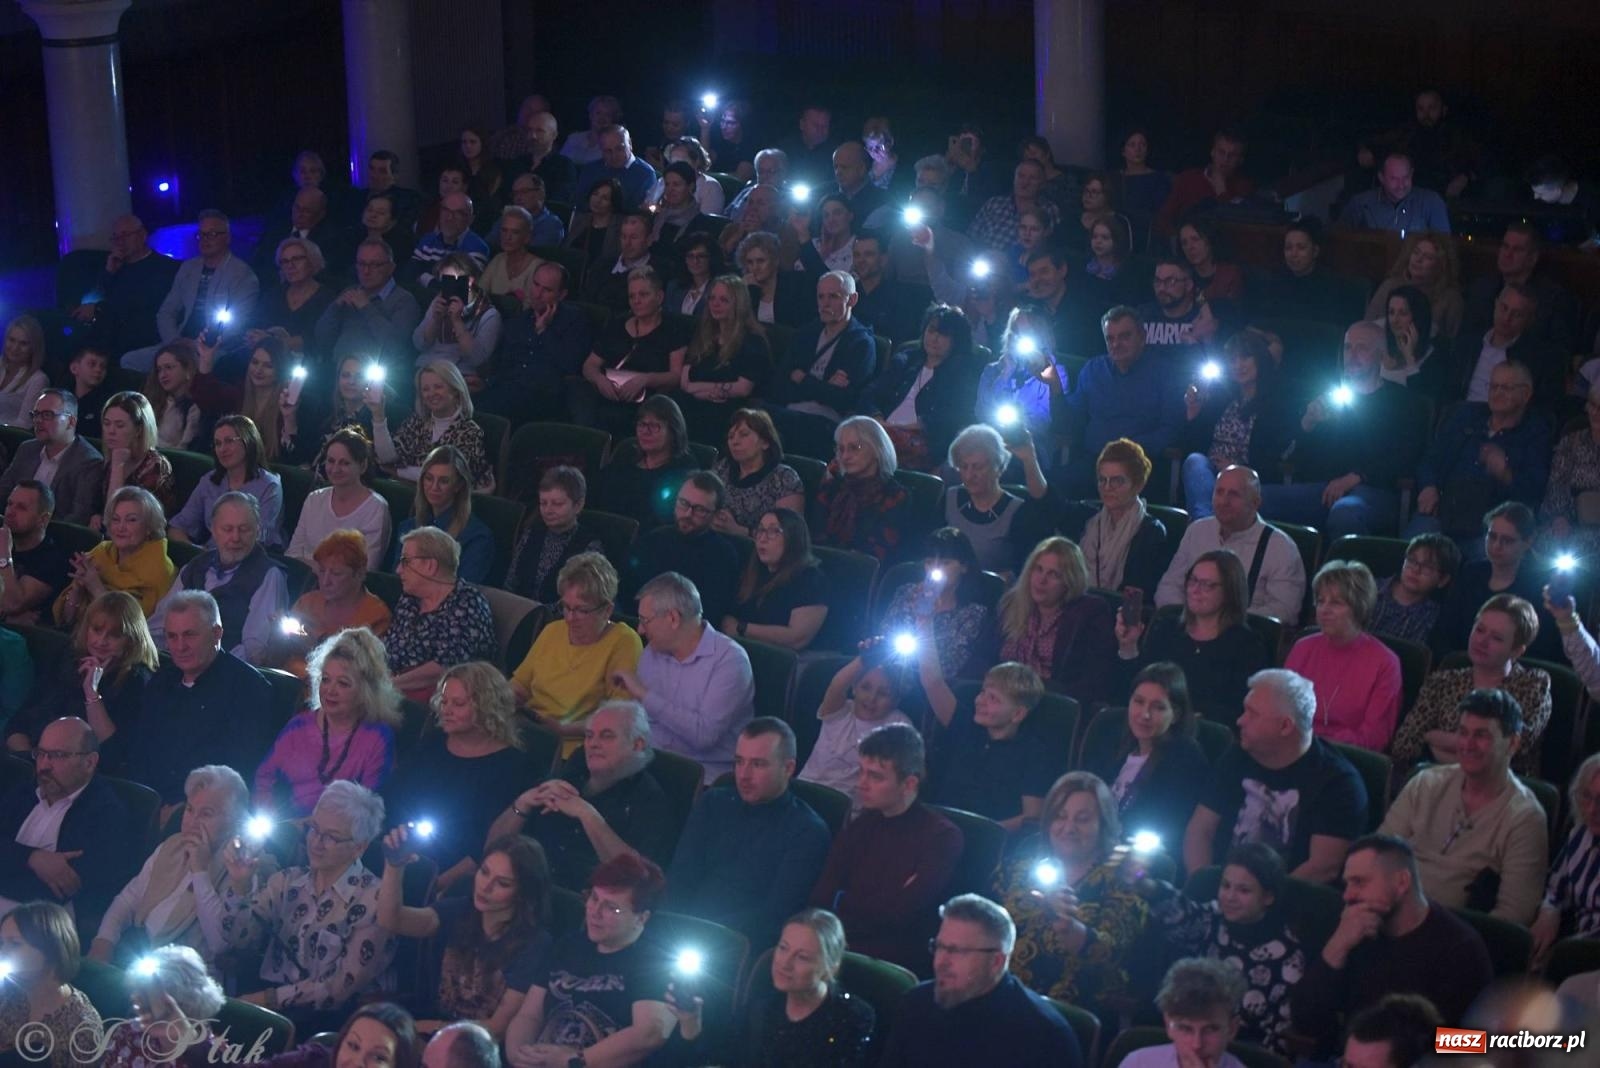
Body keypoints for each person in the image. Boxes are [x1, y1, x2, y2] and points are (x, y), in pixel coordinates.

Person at [1290, 835, 1493, 1053]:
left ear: (1401, 882)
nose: (1348, 895)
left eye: (1359, 882)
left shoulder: (1460, 948)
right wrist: (1338, 946)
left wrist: (1394, 1048)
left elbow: (1474, 1043)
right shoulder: (1350, 925)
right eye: (1346, 884)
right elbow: (1305, 1022)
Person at [221, 779, 396, 1023]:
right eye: (314, 828)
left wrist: (265, 1000)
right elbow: (238, 940)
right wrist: (240, 885)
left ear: (359, 848)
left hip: (336, 1023)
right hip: (270, 1006)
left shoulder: (375, 899)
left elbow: (337, 991)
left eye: (331, 837)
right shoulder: (287, 881)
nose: (315, 842)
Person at [1379, 689, 1547, 923]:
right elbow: (1380, 856)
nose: (1467, 744)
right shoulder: (1426, 783)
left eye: (1481, 735)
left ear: (1513, 743)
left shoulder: (1525, 818)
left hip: (1458, 939)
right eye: (1463, 732)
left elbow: (1512, 916)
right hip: (1390, 914)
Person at [1184, 669, 1368, 882]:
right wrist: (1201, 886)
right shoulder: (1238, 754)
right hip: (1220, 890)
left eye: (1252, 714)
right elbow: (1200, 829)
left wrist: (1258, 904)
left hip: (1285, 904)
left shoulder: (1338, 784)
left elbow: (1323, 867)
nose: (1240, 720)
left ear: (1285, 726)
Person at [809, 724, 963, 970]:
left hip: (891, 957)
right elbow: (824, 891)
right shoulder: (864, 823)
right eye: (862, 772)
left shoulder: (941, 837)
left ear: (909, 783)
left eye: (876, 776)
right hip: (838, 941)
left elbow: (899, 914)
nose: (862, 783)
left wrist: (845, 904)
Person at [667, 718, 831, 943]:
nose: (743, 775)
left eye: (758, 764)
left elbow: (776, 914)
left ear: (788, 768)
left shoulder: (807, 831)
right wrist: (674, 924)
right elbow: (680, 874)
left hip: (742, 942)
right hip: (681, 928)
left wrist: (707, 932)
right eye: (739, 761)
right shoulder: (713, 803)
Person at [503, 852, 675, 1067]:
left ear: (641, 918)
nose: (595, 912)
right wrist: (519, 1053)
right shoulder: (568, 945)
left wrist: (574, 1061)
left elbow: (649, 1034)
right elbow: (529, 1014)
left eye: (611, 907)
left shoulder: (656, 962)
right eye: (594, 898)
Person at [379, 827, 552, 1039]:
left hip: (478, 1046)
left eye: (502, 883)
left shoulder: (535, 943)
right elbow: (391, 920)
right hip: (431, 1028)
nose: (485, 887)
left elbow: (497, 1026)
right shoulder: (458, 910)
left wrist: (429, 1027)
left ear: (523, 893)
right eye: (484, 872)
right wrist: (394, 866)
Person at [995, 771, 1148, 1006]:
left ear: (1103, 825)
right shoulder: (1020, 868)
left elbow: (1113, 955)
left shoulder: (1123, 881)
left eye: (1083, 819)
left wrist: (1068, 927)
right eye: (1060, 816)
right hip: (1002, 997)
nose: (1068, 828)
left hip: (1072, 1010)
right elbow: (984, 920)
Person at [878, 893, 1083, 1068]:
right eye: (939, 947)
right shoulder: (916, 1004)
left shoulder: (1046, 1037)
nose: (941, 961)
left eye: (956, 951)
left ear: (996, 961)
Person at [1136, 843, 1304, 1056]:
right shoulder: (1210, 919)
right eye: (1226, 886)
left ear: (1268, 897)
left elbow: (1279, 1035)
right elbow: (1176, 912)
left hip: (1245, 1054)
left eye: (1244, 890)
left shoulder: (1287, 955)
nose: (1230, 897)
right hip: (1189, 1040)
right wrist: (1144, 883)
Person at [1262, 321, 1426, 537]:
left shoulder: (1400, 402)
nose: (1352, 354)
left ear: (1380, 354)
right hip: (1324, 488)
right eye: (1348, 347)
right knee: (1253, 497)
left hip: (1374, 492)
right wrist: (1308, 424)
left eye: (1362, 347)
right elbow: (1301, 458)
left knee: (1345, 513)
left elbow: (1403, 456)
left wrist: (1356, 477)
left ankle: (1347, 572)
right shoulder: (1330, 397)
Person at [491, 699, 674, 889]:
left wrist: (588, 815)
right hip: (524, 884)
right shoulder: (572, 773)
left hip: (583, 904)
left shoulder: (648, 799)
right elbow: (492, 847)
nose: (593, 744)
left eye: (607, 736)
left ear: (637, 744)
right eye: (589, 736)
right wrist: (523, 803)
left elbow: (638, 880)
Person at [380, 661, 528, 889]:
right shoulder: (433, 742)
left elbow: (485, 846)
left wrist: (434, 886)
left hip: (446, 874)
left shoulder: (511, 766)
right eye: (444, 701)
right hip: (394, 852)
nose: (446, 710)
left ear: (486, 707)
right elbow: (391, 794)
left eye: (458, 704)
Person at [125, 589, 279, 807]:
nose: (180, 647)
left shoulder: (248, 688)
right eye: (172, 636)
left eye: (189, 635)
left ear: (216, 633)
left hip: (204, 810)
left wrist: (182, 808)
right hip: (148, 802)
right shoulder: (162, 680)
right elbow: (139, 750)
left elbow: (238, 768)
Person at [88, 763, 253, 965]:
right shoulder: (172, 845)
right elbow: (128, 900)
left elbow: (220, 943)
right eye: (190, 810)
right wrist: (104, 942)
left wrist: (200, 871)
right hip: (138, 954)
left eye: (206, 814)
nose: (193, 821)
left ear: (234, 822)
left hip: (188, 975)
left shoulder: (244, 865)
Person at [670, 907, 874, 1066]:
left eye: (802, 957)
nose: (785, 963)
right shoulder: (763, 1005)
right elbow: (722, 1059)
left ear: (830, 967)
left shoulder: (853, 1016)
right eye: (783, 948)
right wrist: (691, 1023)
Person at [612, 570, 753, 783]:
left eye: (645, 620)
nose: (640, 630)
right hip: (649, 765)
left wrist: (644, 695)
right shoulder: (653, 651)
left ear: (673, 618)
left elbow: (703, 737)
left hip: (703, 778)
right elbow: (641, 721)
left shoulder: (730, 661)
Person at [1391, 593, 1551, 775]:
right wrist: (1475, 754)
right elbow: (1404, 744)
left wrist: (1433, 738)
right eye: (1479, 630)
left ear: (1516, 650)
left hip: (1501, 792)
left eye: (1496, 638)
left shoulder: (1533, 684)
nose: (1482, 641)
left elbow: (1514, 748)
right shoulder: (1443, 681)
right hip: (1436, 783)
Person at [0, 716, 138, 922]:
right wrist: (32, 858)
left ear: (90, 762)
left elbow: (61, 889)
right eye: (41, 754)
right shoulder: (25, 793)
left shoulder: (105, 813)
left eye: (57, 755)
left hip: (43, 922)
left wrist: (10, 861)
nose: (44, 765)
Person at [255, 627, 400, 816]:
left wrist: (319, 830)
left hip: (341, 836)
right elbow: (264, 778)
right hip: (287, 830)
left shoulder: (378, 738)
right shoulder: (298, 726)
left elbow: (369, 806)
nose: (330, 691)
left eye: (343, 683)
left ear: (365, 691)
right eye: (326, 680)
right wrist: (276, 824)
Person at [5, 590, 156, 768]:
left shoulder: (137, 680)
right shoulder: (68, 659)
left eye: (114, 635)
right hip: (32, 761)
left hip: (85, 775)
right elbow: (19, 723)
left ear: (131, 640)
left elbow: (113, 754)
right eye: (97, 630)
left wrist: (91, 693)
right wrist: (30, 761)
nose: (101, 641)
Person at [1118, 549, 1272, 722]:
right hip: (1152, 724)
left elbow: (1239, 709)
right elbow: (1133, 690)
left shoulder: (1247, 645)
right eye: (1193, 581)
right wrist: (1128, 646)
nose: (1195, 590)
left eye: (1207, 585)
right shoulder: (1167, 628)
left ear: (1230, 591)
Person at [510, 550, 640, 744]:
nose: (570, 618)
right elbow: (520, 686)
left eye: (581, 610)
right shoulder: (553, 630)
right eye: (567, 607)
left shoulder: (624, 642)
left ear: (607, 610)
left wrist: (563, 730)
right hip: (529, 732)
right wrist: (499, 701)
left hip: (575, 744)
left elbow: (618, 717)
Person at [1082, 662, 1210, 853]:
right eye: (1139, 702)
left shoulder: (1185, 758)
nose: (1145, 714)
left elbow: (1164, 828)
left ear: (1175, 715)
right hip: (1091, 845)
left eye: (1158, 707)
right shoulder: (1113, 739)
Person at [151, 491, 290, 664]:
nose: (235, 537)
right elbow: (159, 625)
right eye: (228, 529)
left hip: (226, 675)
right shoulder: (195, 566)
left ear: (257, 531)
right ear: (214, 530)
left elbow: (255, 651)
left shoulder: (269, 575)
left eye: (244, 529)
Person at [1156, 465, 1307, 626]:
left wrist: (1221, 622)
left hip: (1243, 638)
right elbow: (1169, 585)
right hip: (1187, 628)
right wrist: (1188, 619)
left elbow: (1285, 610)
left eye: (1234, 494)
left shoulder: (1281, 547)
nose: (1224, 501)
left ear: (1255, 503)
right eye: (1219, 492)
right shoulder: (1197, 530)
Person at [1062, 307, 1187, 497]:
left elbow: (1171, 429)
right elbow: (1072, 421)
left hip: (1139, 466)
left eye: (1124, 337)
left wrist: (1126, 451)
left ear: (1142, 337)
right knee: (1055, 488)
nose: (1116, 344)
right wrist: (1055, 390)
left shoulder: (1165, 373)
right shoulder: (1093, 369)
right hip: (1093, 464)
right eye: (1110, 338)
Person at [1284, 561, 1403, 752]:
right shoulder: (1303, 647)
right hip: (1292, 748)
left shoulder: (1385, 663)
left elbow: (1375, 736)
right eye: (1321, 601)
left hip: (1346, 756)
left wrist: (1319, 741)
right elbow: (1280, 710)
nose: (1324, 610)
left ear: (1359, 608)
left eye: (1336, 603)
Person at [122, 209, 259, 372]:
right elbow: (166, 311)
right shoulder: (189, 267)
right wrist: (174, 341)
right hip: (178, 343)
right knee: (129, 361)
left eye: (212, 234)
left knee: (183, 368)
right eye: (201, 235)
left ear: (227, 237)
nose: (205, 240)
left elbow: (237, 326)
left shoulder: (242, 275)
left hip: (215, 349)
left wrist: (196, 345)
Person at [1179, 331, 1297, 517]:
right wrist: (1193, 413)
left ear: (1259, 359)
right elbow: (1192, 445)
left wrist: (1235, 467)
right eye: (1232, 360)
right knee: (1195, 461)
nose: (1238, 365)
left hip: (1248, 477)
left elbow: (1275, 456)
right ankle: (1205, 522)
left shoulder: (1276, 405)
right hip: (1211, 472)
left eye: (1245, 358)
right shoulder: (1222, 397)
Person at [858, 304, 984, 472]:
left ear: (956, 341)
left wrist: (902, 428)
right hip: (883, 429)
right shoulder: (906, 360)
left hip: (921, 440)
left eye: (943, 334)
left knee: (863, 453)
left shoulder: (961, 375)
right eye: (931, 331)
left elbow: (951, 418)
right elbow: (870, 393)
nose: (934, 338)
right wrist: (878, 418)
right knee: (850, 441)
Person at [763, 271, 876, 459]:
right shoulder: (805, 334)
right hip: (789, 411)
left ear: (852, 300)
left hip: (826, 422)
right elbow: (779, 384)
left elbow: (845, 400)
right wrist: (822, 387)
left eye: (833, 296)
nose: (825, 303)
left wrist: (803, 379)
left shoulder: (861, 344)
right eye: (821, 296)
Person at [1431, 502, 1559, 661]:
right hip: (1460, 665)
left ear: (1528, 542)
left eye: (1507, 540)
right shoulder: (1471, 572)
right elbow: (1444, 629)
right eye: (1492, 536)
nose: (1496, 546)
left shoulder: (1539, 587)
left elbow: (1539, 647)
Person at [996, 537, 1116, 703]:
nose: (1041, 580)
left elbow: (1093, 683)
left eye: (1053, 574)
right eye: (1038, 569)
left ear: (1069, 581)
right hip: (1002, 699)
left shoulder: (1089, 613)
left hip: (1051, 704)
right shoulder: (1011, 603)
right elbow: (986, 655)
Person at [384, 526, 497, 703]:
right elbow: (390, 649)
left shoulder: (468, 604)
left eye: (406, 561)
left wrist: (387, 685)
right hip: (393, 687)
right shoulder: (410, 599)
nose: (398, 569)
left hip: (440, 700)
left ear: (430, 566)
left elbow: (445, 667)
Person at [571, 267, 689, 436]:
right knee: (576, 386)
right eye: (632, 296)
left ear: (659, 297)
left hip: (646, 396)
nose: (636, 301)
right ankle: (589, 441)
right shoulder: (617, 325)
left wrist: (645, 379)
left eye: (643, 295)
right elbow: (590, 365)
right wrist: (599, 380)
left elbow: (676, 376)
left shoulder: (674, 329)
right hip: (608, 392)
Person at [879, 527, 997, 683]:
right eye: (929, 563)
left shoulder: (973, 613)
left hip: (935, 689)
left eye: (945, 563)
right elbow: (884, 640)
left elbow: (950, 667)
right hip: (889, 679)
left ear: (964, 566)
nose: (935, 569)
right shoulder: (907, 593)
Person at [624, 472, 740, 624]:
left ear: (715, 515)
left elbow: (710, 615)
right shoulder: (652, 540)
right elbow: (626, 592)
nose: (687, 514)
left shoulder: (724, 556)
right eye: (683, 503)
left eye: (699, 510)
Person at [799, 655, 915, 808]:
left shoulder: (898, 724)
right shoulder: (839, 711)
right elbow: (837, 685)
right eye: (865, 687)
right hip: (806, 792)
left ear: (896, 700)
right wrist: (865, 657)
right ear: (854, 687)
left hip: (850, 808)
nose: (872, 698)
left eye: (883, 693)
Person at [274, 529, 391, 678]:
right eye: (322, 571)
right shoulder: (307, 603)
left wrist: (316, 643)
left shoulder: (376, 615)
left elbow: (363, 675)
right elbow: (278, 656)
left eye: (336, 574)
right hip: (291, 684)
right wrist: (275, 635)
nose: (325, 581)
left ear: (360, 574)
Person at [488, 262, 594, 425]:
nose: (537, 294)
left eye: (547, 290)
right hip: (509, 388)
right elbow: (503, 363)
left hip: (546, 395)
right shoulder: (518, 321)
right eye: (536, 285)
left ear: (561, 294)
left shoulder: (575, 321)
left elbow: (570, 365)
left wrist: (543, 331)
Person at [0, 901, 103, 1068]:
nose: (2, 953)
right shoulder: (6, 992)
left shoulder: (81, 1026)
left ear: (51, 950)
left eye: (15, 944)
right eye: (2, 943)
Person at [54, 485, 175, 626]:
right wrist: (78, 589)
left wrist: (96, 588)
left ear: (149, 527)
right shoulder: (100, 553)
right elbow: (67, 620)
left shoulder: (160, 569)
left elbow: (132, 627)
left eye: (131, 520)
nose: (120, 527)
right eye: (116, 519)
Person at [940, 423, 1047, 578]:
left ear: (999, 467)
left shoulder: (1018, 512)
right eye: (964, 467)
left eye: (978, 467)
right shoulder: (950, 498)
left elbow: (1022, 572)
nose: (969, 476)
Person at [676, 274, 773, 443]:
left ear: (738, 304)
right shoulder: (704, 334)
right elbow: (685, 381)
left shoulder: (753, 340)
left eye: (724, 300)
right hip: (696, 400)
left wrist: (698, 388)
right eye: (712, 298)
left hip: (733, 407)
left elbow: (743, 388)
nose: (715, 304)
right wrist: (701, 393)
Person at [168, 414, 285, 550]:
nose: (222, 449)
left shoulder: (269, 485)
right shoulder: (209, 481)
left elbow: (260, 540)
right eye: (218, 443)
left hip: (250, 561)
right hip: (209, 557)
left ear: (248, 441)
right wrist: (197, 553)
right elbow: (177, 528)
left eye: (229, 441)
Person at [69, 214, 180, 356]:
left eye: (125, 235)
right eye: (115, 238)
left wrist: (99, 310)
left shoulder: (165, 268)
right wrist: (108, 273)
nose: (119, 242)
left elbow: (141, 305)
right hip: (109, 335)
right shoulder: (116, 267)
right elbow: (92, 297)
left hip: (142, 337)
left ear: (142, 236)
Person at [373, 360, 493, 489]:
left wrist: (397, 472)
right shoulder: (417, 422)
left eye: (438, 387)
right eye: (425, 389)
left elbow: (448, 476)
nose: (431, 394)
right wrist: (378, 414)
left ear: (455, 390)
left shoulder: (470, 431)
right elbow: (387, 458)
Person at [287, 428, 393, 572]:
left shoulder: (376, 508)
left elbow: (368, 567)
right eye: (331, 461)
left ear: (362, 466)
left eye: (344, 463)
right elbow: (292, 553)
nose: (335, 469)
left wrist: (316, 567)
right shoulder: (314, 499)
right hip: (304, 581)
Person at [1463, 221, 1578, 353]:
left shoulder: (1553, 300)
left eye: (1517, 249)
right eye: (1505, 246)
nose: (1508, 254)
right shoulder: (1481, 288)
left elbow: (1559, 353)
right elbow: (1465, 338)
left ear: (1532, 258)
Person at [722, 508, 828, 651]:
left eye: (773, 532)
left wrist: (742, 628)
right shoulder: (754, 570)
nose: (762, 538)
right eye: (760, 530)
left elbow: (797, 638)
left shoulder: (810, 578)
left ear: (793, 537)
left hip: (786, 661)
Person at [1079, 438, 1170, 603]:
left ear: (1137, 484)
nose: (1107, 488)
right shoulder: (1090, 521)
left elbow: (1139, 593)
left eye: (1117, 481)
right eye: (1102, 480)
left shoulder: (1151, 532)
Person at [812, 415, 914, 562]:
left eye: (855, 447)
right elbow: (813, 537)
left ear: (877, 448)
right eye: (841, 449)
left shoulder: (894, 496)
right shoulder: (831, 488)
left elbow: (878, 554)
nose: (845, 456)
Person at [590, 396, 698, 531]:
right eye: (642, 424)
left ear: (673, 431)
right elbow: (596, 494)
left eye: (654, 426)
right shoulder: (626, 456)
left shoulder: (684, 469)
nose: (645, 432)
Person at [1532, 753, 1600, 966]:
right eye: (1586, 796)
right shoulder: (1581, 834)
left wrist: (1564, 952)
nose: (1592, 810)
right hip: (1574, 945)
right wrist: (1549, 910)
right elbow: (1556, 885)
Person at [390, 445, 493, 585]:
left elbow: (462, 590)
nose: (434, 487)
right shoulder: (408, 527)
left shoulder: (476, 537)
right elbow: (397, 580)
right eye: (429, 478)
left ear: (458, 486)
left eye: (444, 481)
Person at [314, 240, 424, 370]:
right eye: (361, 264)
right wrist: (334, 308)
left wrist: (366, 307)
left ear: (391, 267)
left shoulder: (404, 300)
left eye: (375, 265)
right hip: (338, 371)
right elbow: (320, 338)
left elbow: (395, 345)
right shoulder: (349, 293)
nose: (366, 271)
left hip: (379, 378)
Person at [0, 388, 104, 525]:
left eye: (47, 415)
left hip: (53, 538)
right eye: (36, 414)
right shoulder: (27, 448)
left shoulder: (89, 462)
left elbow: (78, 517)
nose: (38, 421)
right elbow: (3, 491)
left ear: (71, 421)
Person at [1454, 283, 1565, 411]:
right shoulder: (1468, 344)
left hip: (1503, 420)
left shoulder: (1536, 359)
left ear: (1529, 320)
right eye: (1504, 308)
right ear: (1495, 304)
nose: (1507, 318)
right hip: (1461, 415)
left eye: (1517, 314)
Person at [504, 465, 604, 604]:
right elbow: (510, 584)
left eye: (557, 504)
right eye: (543, 503)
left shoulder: (589, 547)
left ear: (578, 505)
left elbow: (584, 601)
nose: (548, 510)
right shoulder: (531, 533)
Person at [710, 409, 806, 539]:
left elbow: (789, 535)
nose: (734, 442)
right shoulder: (722, 468)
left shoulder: (784, 478)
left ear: (765, 442)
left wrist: (739, 531)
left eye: (743, 434)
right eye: (731, 436)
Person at [411, 255, 502, 381]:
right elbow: (419, 344)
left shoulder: (489, 315)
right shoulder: (438, 301)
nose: (446, 286)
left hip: (458, 374)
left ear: (469, 281)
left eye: (451, 280)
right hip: (427, 367)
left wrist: (457, 321)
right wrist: (435, 320)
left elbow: (478, 359)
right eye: (443, 281)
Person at [1365, 231, 1464, 344]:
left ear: (1441, 266)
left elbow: (1453, 344)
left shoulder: (1450, 299)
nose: (1418, 260)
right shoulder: (1390, 286)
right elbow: (1367, 326)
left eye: (1428, 257)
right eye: (1416, 252)